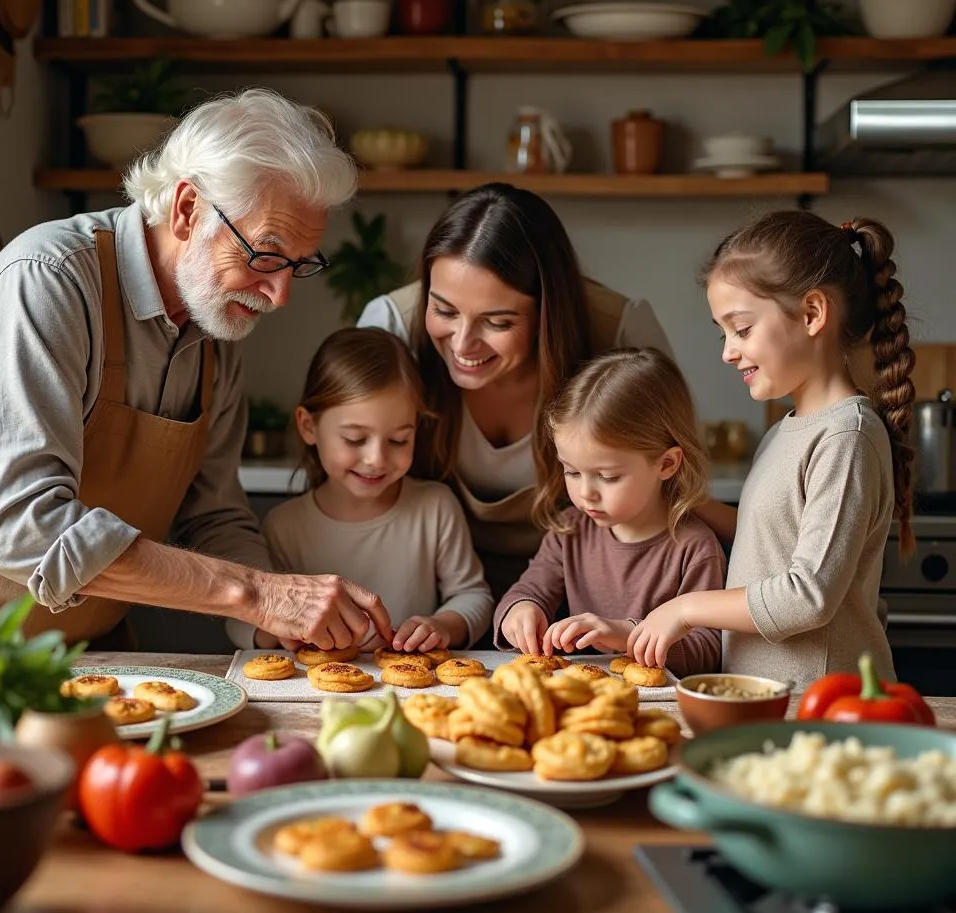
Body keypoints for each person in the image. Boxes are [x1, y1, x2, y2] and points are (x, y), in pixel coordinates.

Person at [0, 89, 393, 652]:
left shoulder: (216, 326)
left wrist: (275, 626)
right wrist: (259, 594)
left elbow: (215, 519)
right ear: (187, 209)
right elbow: (26, 529)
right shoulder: (46, 282)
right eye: (266, 255)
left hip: (89, 660)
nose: (279, 296)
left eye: (299, 266)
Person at [626, 211, 915, 689]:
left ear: (811, 314)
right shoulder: (787, 429)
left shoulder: (846, 438)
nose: (727, 351)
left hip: (818, 701)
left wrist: (686, 609)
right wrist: (687, 500)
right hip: (766, 695)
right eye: (725, 333)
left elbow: (807, 594)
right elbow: (774, 543)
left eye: (741, 329)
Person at [357, 182, 674, 605]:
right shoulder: (391, 326)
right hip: (422, 597)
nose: (463, 344)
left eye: (498, 322)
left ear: (548, 313)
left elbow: (670, 486)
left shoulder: (619, 331)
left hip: (584, 597)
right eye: (444, 311)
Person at [493, 348, 725, 677]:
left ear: (667, 464)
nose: (586, 492)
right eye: (571, 472)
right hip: (581, 692)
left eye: (608, 477)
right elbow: (528, 590)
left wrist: (627, 636)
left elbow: (708, 652)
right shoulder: (569, 532)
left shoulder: (694, 547)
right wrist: (520, 611)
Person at [261, 327, 493, 653]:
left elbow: (473, 596)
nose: (376, 459)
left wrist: (442, 625)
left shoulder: (435, 507)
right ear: (308, 426)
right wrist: (277, 627)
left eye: (399, 440)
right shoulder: (284, 526)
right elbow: (248, 620)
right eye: (355, 439)